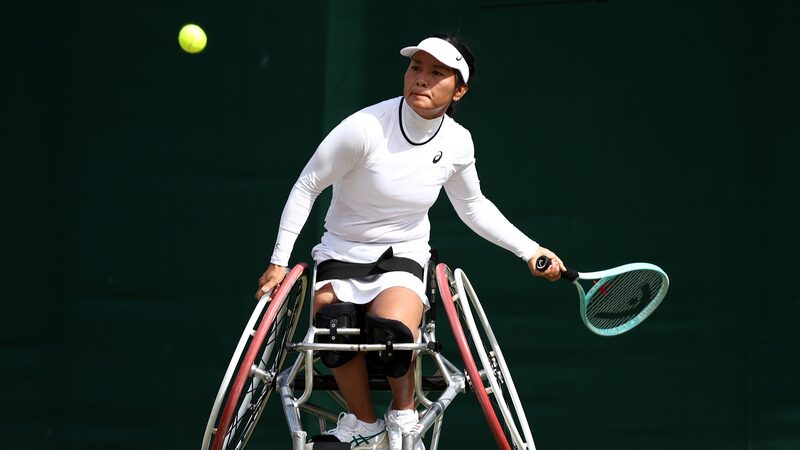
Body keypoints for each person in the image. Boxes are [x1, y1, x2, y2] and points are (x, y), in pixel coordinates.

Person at [255, 34, 566, 450]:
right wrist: (279, 262)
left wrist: (530, 249)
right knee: (334, 325)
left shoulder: (457, 143)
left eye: (436, 73)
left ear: (459, 90)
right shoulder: (364, 129)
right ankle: (365, 424)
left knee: (394, 331)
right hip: (342, 249)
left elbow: (473, 208)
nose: (420, 79)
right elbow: (307, 185)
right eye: (416, 68)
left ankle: (403, 415)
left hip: (403, 254)